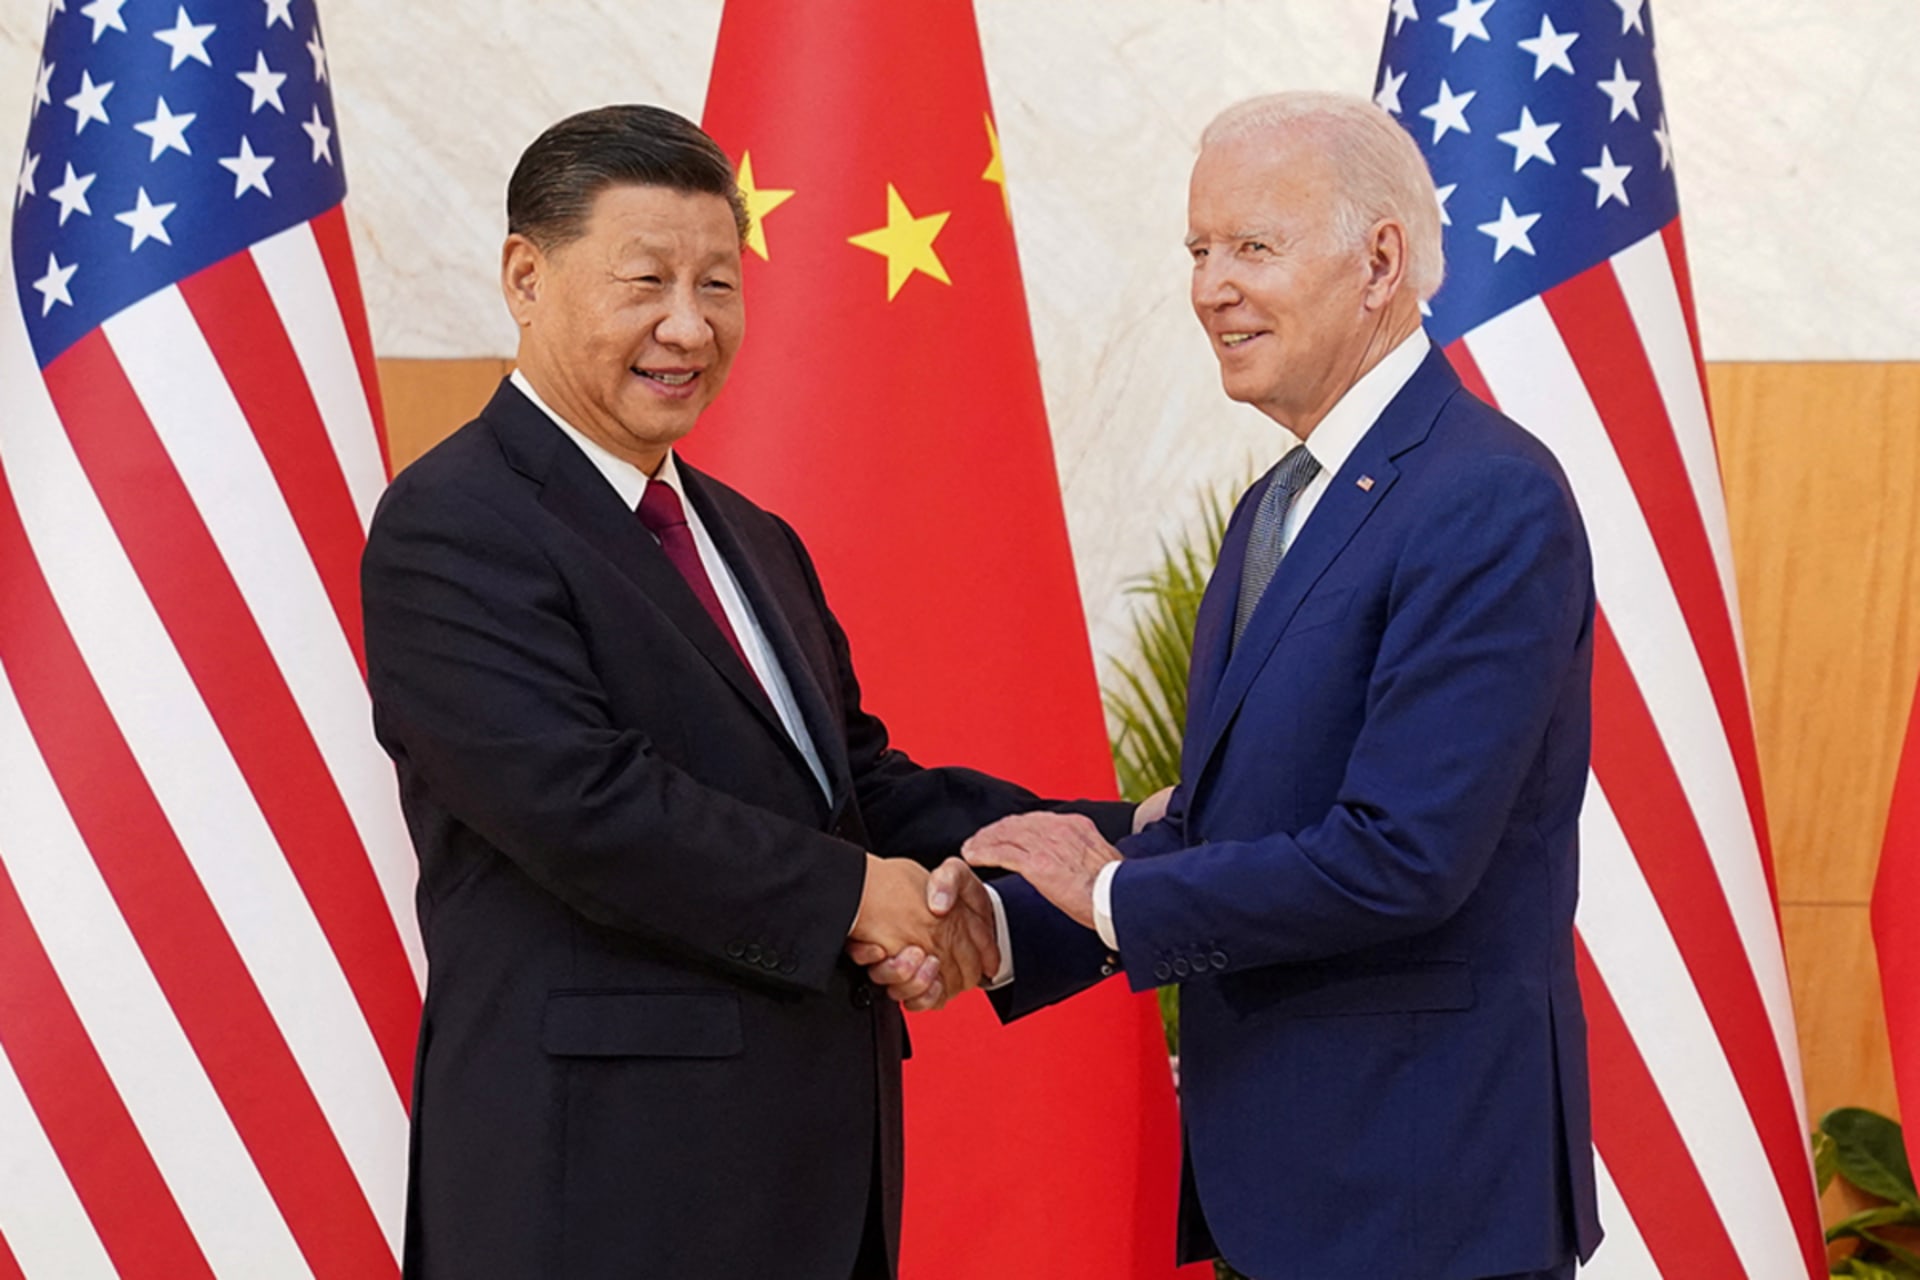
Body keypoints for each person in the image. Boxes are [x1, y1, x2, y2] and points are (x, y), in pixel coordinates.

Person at [360, 104, 1133, 1280]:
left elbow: (852, 786)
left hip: (809, 1185)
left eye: (718, 283)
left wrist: (1108, 848)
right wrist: (861, 900)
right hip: (599, 1197)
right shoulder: (452, 523)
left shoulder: (750, 535)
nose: (688, 324)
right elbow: (587, 804)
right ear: (526, 275)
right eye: (647, 281)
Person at [874, 92, 1604, 1279]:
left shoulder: (1484, 496)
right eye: (1198, 250)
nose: (1210, 286)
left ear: (1379, 263)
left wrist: (1108, 892)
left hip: (1419, 1197)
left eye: (1251, 247)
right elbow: (1230, 831)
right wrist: (1010, 927)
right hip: (1292, 1187)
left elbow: (1401, 856)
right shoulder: (1282, 503)